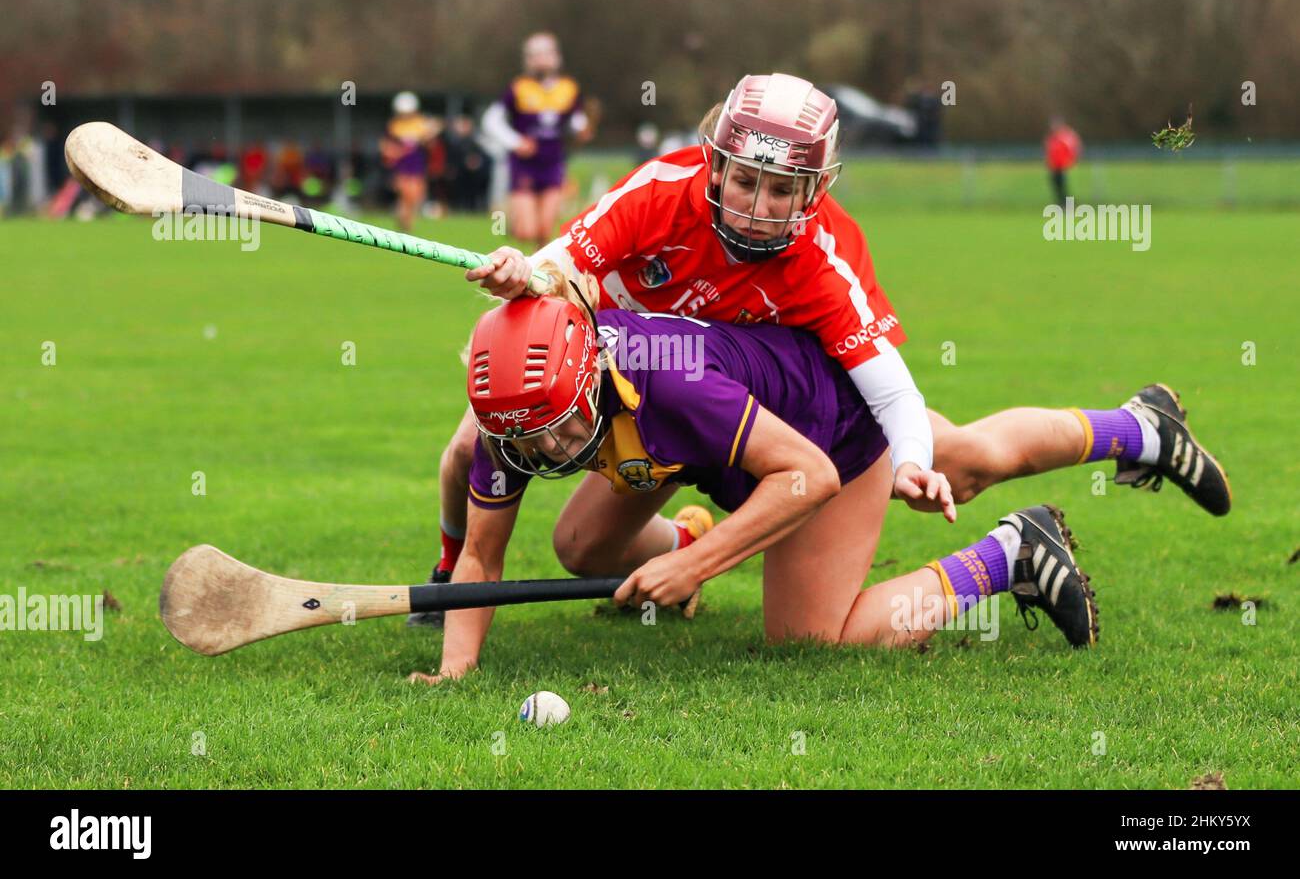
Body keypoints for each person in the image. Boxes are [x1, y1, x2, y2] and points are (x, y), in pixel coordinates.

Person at [409, 73, 1229, 625]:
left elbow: (893, 392)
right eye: (744, 179)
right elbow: (564, 266)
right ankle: (473, 582)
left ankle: (1138, 435)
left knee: (963, 460)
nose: (759, 204)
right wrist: (528, 270)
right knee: (575, 540)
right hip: (669, 399)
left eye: (782, 188)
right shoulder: (659, 192)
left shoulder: (824, 255)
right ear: (716, 161)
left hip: (803, 417)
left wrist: (909, 460)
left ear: (814, 189)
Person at [407, 291, 1098, 684]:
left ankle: (1011, 554)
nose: (546, 452)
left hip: (829, 437)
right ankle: (1139, 426)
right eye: (528, 440)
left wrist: (692, 565)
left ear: (591, 376)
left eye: (560, 430)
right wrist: (454, 672)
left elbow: (808, 477)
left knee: (813, 633)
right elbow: (482, 560)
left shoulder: (667, 380)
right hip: (726, 447)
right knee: (582, 543)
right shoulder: (516, 420)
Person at [481, 33, 593, 249]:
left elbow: (575, 120)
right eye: (535, 55)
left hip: (553, 163)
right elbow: (491, 120)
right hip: (524, 165)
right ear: (528, 60)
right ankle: (515, 221)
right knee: (526, 232)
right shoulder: (519, 87)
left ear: (556, 57)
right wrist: (515, 142)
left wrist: (582, 130)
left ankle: (536, 280)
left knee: (544, 231)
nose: (541, 59)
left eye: (546, 54)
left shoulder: (569, 88)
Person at [380, 91, 439, 232]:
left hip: (417, 167)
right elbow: (386, 147)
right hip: (401, 168)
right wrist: (395, 153)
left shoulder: (421, 124)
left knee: (416, 197)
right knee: (405, 196)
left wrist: (428, 136)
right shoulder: (394, 126)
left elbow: (431, 145)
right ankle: (404, 224)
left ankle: (407, 224)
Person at [1045, 116, 1082, 206]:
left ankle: (1069, 205)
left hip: (1063, 166)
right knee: (1057, 187)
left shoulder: (1066, 136)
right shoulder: (1053, 137)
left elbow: (1074, 149)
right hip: (1054, 166)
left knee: (1064, 187)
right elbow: (1049, 151)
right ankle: (1061, 204)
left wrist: (1071, 161)